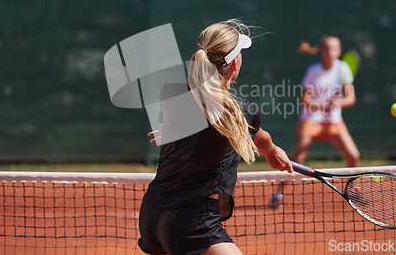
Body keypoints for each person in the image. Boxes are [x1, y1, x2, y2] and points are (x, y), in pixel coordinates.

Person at [138, 19, 293, 255]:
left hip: (151, 214)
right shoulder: (241, 111)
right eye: (240, 53)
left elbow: (192, 121)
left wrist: (176, 133)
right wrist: (272, 151)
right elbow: (260, 140)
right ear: (234, 65)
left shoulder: (169, 92)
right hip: (190, 221)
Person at [293, 36, 360, 167]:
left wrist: (337, 103)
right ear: (322, 51)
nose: (330, 52)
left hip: (333, 122)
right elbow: (304, 98)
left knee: (353, 156)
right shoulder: (313, 70)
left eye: (334, 49)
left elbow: (351, 98)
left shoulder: (343, 68)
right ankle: (283, 188)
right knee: (297, 161)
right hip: (310, 120)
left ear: (339, 51)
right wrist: (320, 106)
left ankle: (349, 187)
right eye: (327, 49)